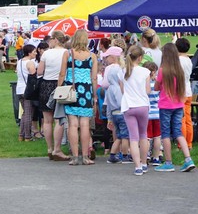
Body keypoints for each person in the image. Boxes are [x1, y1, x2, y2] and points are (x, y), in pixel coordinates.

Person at [59, 30, 98, 166]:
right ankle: (85, 156)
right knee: (85, 124)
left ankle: (75, 157)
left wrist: (59, 88)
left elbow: (62, 74)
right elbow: (94, 78)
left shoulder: (68, 54)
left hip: (72, 90)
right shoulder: (92, 56)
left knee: (73, 124)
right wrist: (94, 95)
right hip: (86, 91)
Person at [154, 43, 196, 173]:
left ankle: (168, 162)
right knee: (178, 132)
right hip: (178, 105)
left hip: (165, 105)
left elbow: (156, 87)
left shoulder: (162, 70)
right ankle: (188, 159)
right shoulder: (179, 71)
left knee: (165, 133)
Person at [36, 31, 69, 161]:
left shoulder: (46, 53)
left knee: (47, 120)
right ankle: (57, 149)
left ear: (55, 39)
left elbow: (39, 71)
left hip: (46, 84)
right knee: (59, 119)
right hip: (60, 85)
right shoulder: (66, 52)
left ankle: (49, 148)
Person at [122, 45, 151, 176]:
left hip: (129, 105)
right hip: (143, 105)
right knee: (143, 135)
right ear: (140, 58)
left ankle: (137, 166)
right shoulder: (145, 72)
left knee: (133, 138)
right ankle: (144, 163)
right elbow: (148, 90)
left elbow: (122, 90)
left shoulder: (123, 71)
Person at [102, 46, 131, 164]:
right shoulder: (118, 89)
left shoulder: (109, 89)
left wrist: (109, 118)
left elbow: (108, 105)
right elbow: (121, 102)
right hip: (121, 113)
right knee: (125, 136)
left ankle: (112, 155)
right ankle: (125, 155)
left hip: (114, 114)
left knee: (118, 136)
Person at [16, 45, 37, 141]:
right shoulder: (30, 63)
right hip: (27, 89)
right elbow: (33, 77)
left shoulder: (19, 61)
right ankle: (28, 136)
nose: (35, 53)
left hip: (19, 89)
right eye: (34, 51)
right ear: (29, 53)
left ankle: (21, 135)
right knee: (28, 113)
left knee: (25, 113)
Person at [142, 61, 162, 166]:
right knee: (157, 136)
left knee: (147, 137)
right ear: (153, 72)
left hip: (147, 113)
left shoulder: (144, 84)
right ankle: (156, 157)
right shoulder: (157, 84)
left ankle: (146, 156)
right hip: (157, 112)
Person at [176, 37, 194, 150]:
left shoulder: (178, 60)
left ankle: (181, 144)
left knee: (181, 118)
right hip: (188, 90)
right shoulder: (188, 60)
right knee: (188, 118)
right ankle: (189, 142)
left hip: (180, 90)